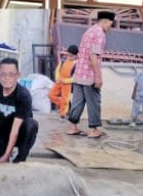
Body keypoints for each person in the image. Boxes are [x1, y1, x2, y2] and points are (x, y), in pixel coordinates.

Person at [67, 10, 115, 139]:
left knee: (77, 101)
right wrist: (98, 76)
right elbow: (93, 56)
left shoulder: (88, 31)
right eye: (111, 24)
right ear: (106, 21)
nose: (110, 27)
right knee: (93, 101)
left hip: (79, 73)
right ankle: (93, 130)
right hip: (89, 75)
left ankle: (72, 127)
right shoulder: (100, 34)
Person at [48, 45, 78, 119]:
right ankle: (61, 104)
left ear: (75, 55)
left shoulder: (76, 64)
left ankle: (63, 114)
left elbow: (75, 78)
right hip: (59, 81)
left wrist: (66, 81)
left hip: (67, 84)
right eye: (68, 55)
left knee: (65, 99)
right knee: (51, 95)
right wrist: (57, 78)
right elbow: (58, 70)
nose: (69, 57)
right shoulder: (63, 60)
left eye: (71, 56)